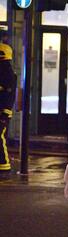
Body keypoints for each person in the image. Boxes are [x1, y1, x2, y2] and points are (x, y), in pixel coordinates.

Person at [0, 43, 16, 174]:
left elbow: (9, 96)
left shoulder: (7, 73)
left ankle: (4, 164)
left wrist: (5, 114)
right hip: (2, 111)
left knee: (0, 137)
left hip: (2, 112)